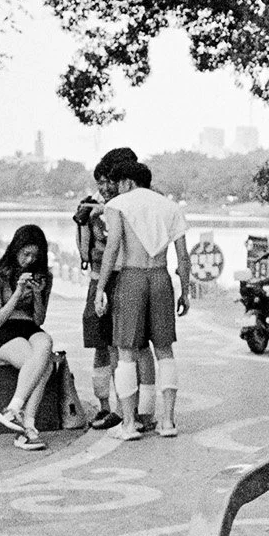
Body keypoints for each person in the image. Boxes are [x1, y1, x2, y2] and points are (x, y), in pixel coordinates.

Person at [95, 160, 191, 439]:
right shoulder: (171, 207)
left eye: (117, 183)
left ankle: (128, 425)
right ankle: (168, 422)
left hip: (132, 278)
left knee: (126, 352)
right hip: (161, 278)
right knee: (165, 351)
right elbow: (183, 257)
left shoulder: (119, 205)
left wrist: (101, 288)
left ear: (127, 182)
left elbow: (112, 248)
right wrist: (185, 290)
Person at [74, 148, 154, 432]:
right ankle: (106, 407)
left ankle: (135, 411)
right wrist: (84, 223)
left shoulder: (135, 205)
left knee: (132, 346)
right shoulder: (92, 208)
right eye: (101, 181)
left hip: (128, 280)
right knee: (100, 343)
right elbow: (84, 252)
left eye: (110, 180)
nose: (105, 187)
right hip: (99, 279)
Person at [0, 224, 61, 452]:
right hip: (5, 330)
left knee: (46, 343)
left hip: (29, 327)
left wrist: (37, 294)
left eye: (35, 256)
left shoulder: (44, 276)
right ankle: (28, 427)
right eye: (25, 253)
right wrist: (17, 292)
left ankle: (13, 411)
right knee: (42, 366)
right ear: (15, 248)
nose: (29, 260)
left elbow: (39, 320)